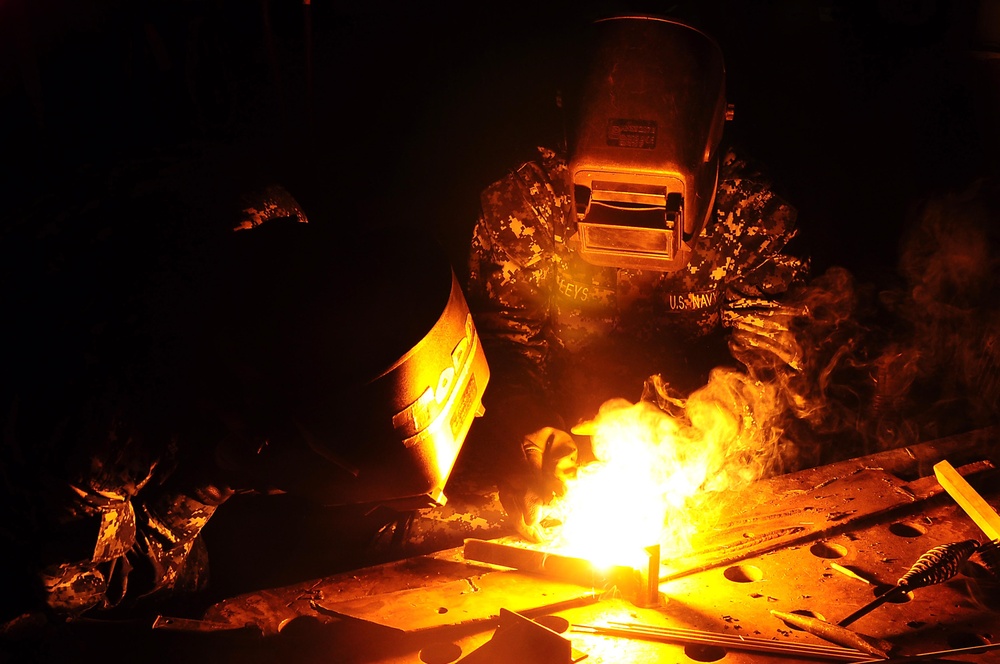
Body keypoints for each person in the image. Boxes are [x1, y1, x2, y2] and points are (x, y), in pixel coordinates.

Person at [0, 185, 489, 630]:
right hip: (28, 513)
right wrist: (209, 484)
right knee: (192, 579)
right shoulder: (105, 438)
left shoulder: (268, 218)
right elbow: (79, 584)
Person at [463, 15, 810, 541]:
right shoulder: (527, 203)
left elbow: (774, 367)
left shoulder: (752, 218)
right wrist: (526, 426)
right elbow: (499, 346)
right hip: (563, 451)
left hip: (698, 465)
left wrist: (697, 433)